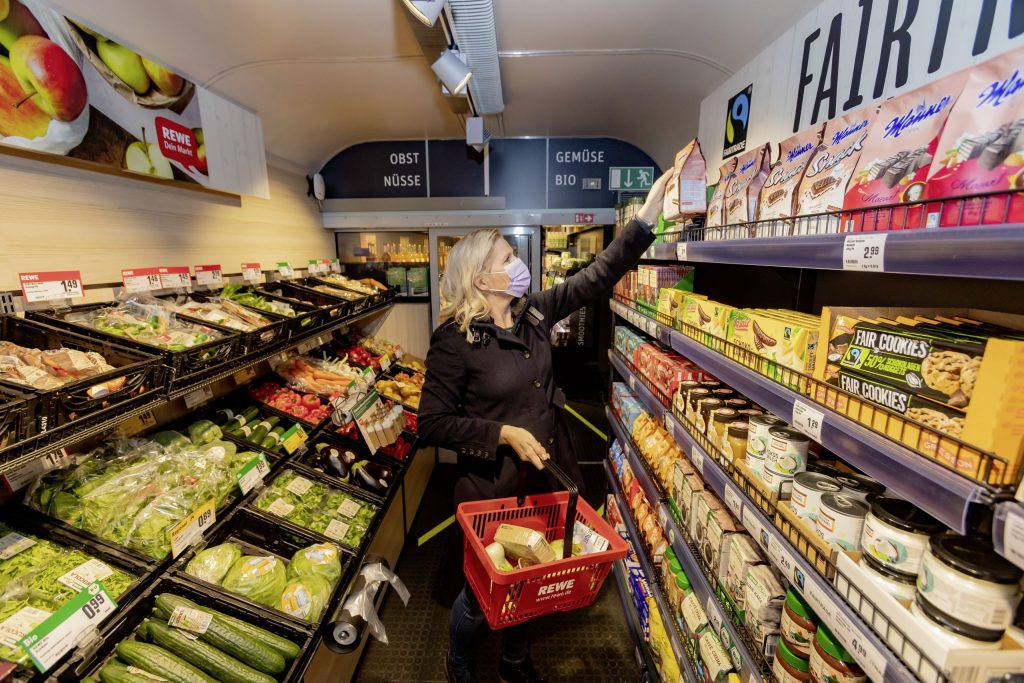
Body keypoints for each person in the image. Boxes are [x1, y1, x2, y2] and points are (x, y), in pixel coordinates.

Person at [418, 170, 672, 683]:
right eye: (507, 260)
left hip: (544, 478)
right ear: (481, 280)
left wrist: (646, 218)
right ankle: (458, 659)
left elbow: (596, 276)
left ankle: (514, 661)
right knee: (482, 593)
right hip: (492, 489)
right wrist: (502, 434)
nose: (519, 266)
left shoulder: (532, 312)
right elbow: (431, 424)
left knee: (529, 579)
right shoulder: (454, 341)